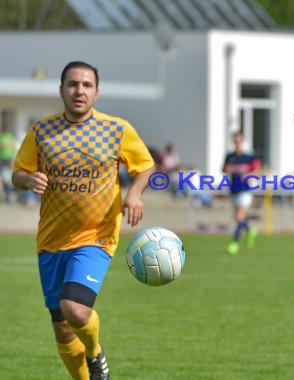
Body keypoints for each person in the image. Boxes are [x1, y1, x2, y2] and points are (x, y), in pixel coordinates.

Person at [12, 61, 155, 380]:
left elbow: (145, 167)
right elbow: (17, 174)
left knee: (74, 309)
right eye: (73, 84)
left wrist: (134, 194)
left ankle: (95, 353)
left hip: (96, 237)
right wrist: (28, 180)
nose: (80, 90)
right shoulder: (41, 131)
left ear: (97, 92)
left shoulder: (117, 129)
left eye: (87, 85)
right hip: (51, 241)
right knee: (62, 329)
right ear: (61, 90)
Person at [222, 131, 261, 255]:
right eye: (235, 139)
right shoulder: (230, 156)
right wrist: (228, 169)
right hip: (234, 189)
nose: (237, 142)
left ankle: (235, 243)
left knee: (239, 216)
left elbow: (257, 171)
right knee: (238, 217)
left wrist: (248, 175)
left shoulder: (249, 157)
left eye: (239, 139)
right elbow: (223, 169)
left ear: (242, 140)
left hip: (245, 190)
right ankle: (250, 230)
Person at [0, 123, 16, 202]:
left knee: (8, 177)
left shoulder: (10, 137)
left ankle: (8, 195)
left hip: (8, 159)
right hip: (1, 159)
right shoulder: (1, 136)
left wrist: (13, 160)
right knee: (2, 178)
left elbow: (13, 148)